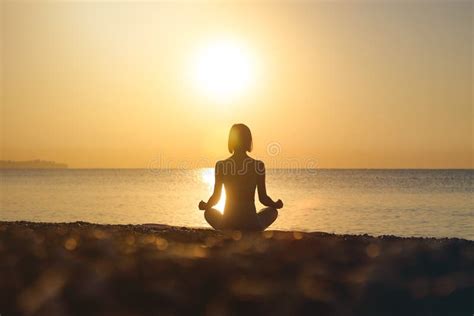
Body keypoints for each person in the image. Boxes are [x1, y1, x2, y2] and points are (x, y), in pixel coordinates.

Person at [198, 123, 283, 231]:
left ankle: (226, 226)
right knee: (273, 211)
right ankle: (255, 227)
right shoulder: (258, 165)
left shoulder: (221, 165)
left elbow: (216, 197)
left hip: (227, 223)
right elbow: (263, 198)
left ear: (231, 141)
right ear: (248, 141)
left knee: (209, 212)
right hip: (251, 224)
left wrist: (206, 206)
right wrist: (275, 204)